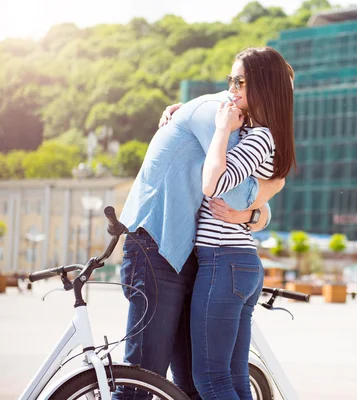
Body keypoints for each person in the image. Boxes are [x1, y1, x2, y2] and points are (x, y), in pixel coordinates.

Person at [114, 73, 285, 398]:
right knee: (142, 381)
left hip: (186, 254)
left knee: (194, 384)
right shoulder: (218, 114)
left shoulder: (235, 124)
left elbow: (242, 201)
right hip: (157, 246)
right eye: (236, 80)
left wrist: (257, 214)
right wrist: (277, 185)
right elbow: (233, 193)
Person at [190, 47, 295, 400]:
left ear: (262, 86)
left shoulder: (261, 136)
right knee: (234, 378)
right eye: (230, 80)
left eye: (240, 81)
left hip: (224, 261)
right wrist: (182, 111)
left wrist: (221, 130)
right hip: (238, 263)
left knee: (211, 379)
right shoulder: (261, 132)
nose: (231, 88)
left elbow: (213, 184)